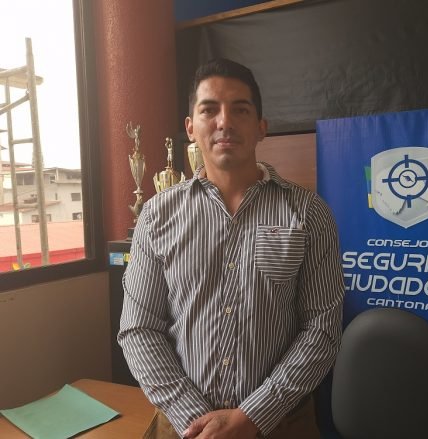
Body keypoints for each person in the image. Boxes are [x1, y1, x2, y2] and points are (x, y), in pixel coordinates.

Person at [119, 58, 345, 439]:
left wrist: (252, 416)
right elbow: (139, 328)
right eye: (209, 110)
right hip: (184, 428)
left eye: (240, 109)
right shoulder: (156, 215)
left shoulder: (308, 213)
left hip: (282, 425)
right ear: (190, 128)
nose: (224, 121)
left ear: (261, 127)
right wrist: (198, 422)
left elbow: (321, 330)